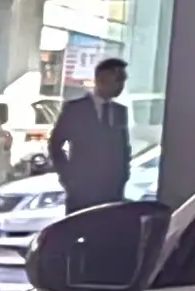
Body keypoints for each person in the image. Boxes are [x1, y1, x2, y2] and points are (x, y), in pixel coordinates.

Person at [47, 56, 134, 213]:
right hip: (81, 191)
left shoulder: (120, 112)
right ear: (101, 79)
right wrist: (67, 177)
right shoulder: (75, 109)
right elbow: (55, 144)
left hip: (112, 193)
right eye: (118, 79)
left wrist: (123, 175)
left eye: (123, 80)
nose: (121, 85)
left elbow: (124, 147)